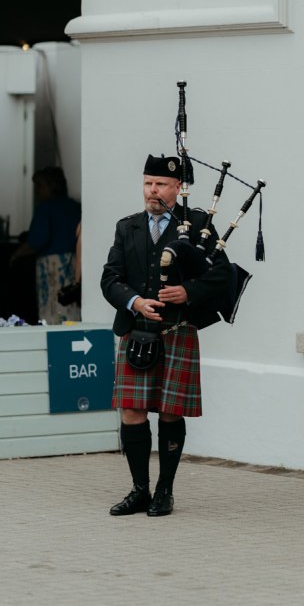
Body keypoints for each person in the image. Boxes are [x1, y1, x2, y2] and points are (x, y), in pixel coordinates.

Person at [101, 153, 233, 518]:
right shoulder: (127, 227)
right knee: (131, 410)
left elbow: (223, 275)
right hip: (136, 328)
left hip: (177, 330)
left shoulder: (199, 226)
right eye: (147, 183)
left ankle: (165, 491)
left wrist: (188, 291)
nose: (152, 190)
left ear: (179, 187)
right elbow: (110, 278)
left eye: (160, 184)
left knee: (171, 413)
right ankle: (139, 489)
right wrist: (134, 302)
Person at [11, 167, 81, 324]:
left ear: (51, 185)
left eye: (39, 186)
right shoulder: (75, 207)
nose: (37, 191)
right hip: (73, 264)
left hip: (51, 267)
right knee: (70, 306)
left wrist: (16, 254)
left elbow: (38, 240)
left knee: (52, 310)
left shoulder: (45, 208)